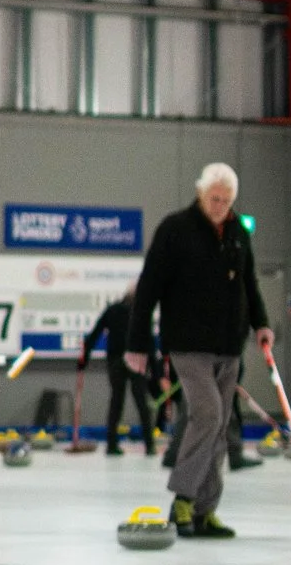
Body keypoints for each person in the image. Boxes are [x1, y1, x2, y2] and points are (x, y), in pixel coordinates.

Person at [128, 163, 271, 540]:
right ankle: (183, 499)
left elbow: (249, 284)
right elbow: (148, 288)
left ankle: (206, 511)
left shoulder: (239, 232)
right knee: (208, 415)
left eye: (226, 200)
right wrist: (137, 342)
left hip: (229, 344)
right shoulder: (175, 230)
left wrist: (262, 325)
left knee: (220, 426)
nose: (220, 206)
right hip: (188, 343)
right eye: (214, 199)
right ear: (200, 193)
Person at [81, 284, 157, 456]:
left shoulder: (113, 310)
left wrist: (84, 358)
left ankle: (111, 444)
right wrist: (155, 371)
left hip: (116, 361)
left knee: (116, 402)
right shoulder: (142, 313)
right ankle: (149, 445)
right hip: (136, 361)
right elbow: (150, 343)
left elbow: (95, 334)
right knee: (142, 403)